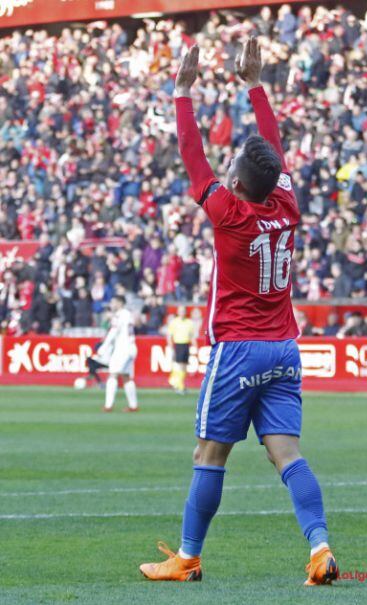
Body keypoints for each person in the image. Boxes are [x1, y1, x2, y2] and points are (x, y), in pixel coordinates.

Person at [140, 39, 338, 587]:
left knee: (209, 453)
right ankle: (320, 549)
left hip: (238, 348)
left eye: (230, 164)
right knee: (287, 454)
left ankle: (187, 558)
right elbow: (272, 149)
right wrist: (255, 85)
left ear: (235, 183)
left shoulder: (229, 213)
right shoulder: (287, 204)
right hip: (284, 348)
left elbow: (191, 153)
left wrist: (183, 90)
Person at [97, 295, 139, 412]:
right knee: (126, 376)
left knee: (113, 374)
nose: (111, 305)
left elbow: (114, 331)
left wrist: (103, 347)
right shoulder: (127, 314)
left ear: (120, 303)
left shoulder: (120, 315)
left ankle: (108, 405)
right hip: (130, 347)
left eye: (113, 302)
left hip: (123, 349)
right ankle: (133, 406)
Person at [167, 305, 197, 394]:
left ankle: (179, 384)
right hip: (178, 344)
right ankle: (179, 386)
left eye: (183, 311)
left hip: (186, 344)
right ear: (177, 312)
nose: (182, 312)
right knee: (179, 365)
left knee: (184, 365)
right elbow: (169, 335)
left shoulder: (189, 322)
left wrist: (195, 344)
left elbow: (191, 336)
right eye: (180, 311)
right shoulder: (174, 322)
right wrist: (170, 345)